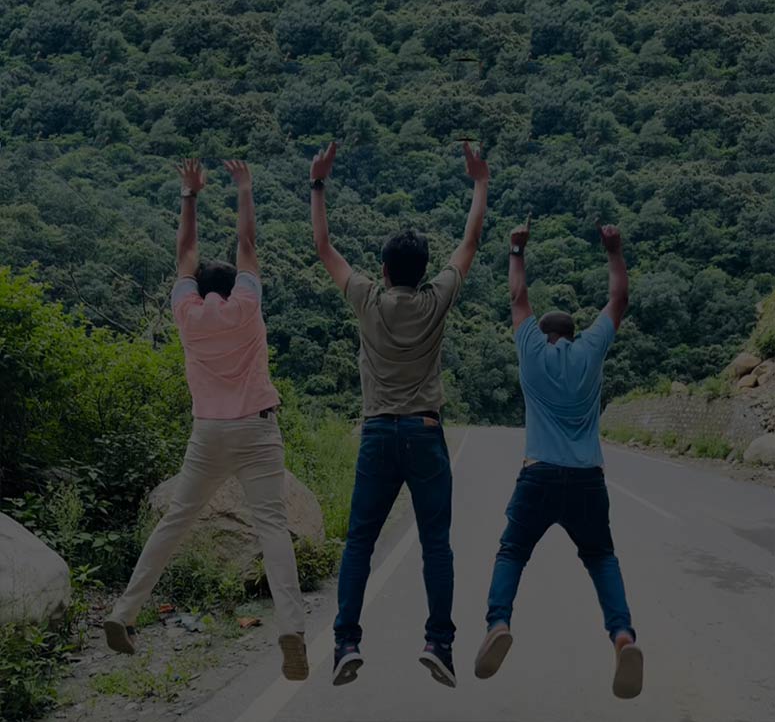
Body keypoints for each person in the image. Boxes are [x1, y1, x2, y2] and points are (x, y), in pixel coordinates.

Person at [103, 159, 308, 682]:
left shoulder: (187, 315)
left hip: (208, 433)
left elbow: (184, 255)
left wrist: (189, 195)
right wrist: (244, 188)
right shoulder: (247, 307)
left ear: (196, 291)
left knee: (175, 521)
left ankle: (123, 613)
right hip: (258, 430)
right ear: (236, 286)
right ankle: (290, 627)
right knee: (272, 527)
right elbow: (248, 247)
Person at [310, 141, 489, 688]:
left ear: (383, 270)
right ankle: (439, 643)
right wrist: (479, 182)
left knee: (360, 540)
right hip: (426, 432)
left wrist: (318, 184)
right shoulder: (437, 299)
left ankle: (345, 643)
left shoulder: (366, 298)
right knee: (437, 542)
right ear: (422, 271)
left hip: (376, 434)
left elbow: (323, 246)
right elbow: (470, 242)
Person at [474, 216, 643, 699]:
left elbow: (517, 298)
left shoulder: (531, 351)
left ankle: (499, 623)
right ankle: (623, 636)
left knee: (512, 551)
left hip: (538, 475)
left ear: (544, 337)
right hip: (588, 479)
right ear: (571, 335)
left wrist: (517, 249)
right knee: (601, 558)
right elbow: (618, 300)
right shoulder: (591, 351)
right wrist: (613, 249)